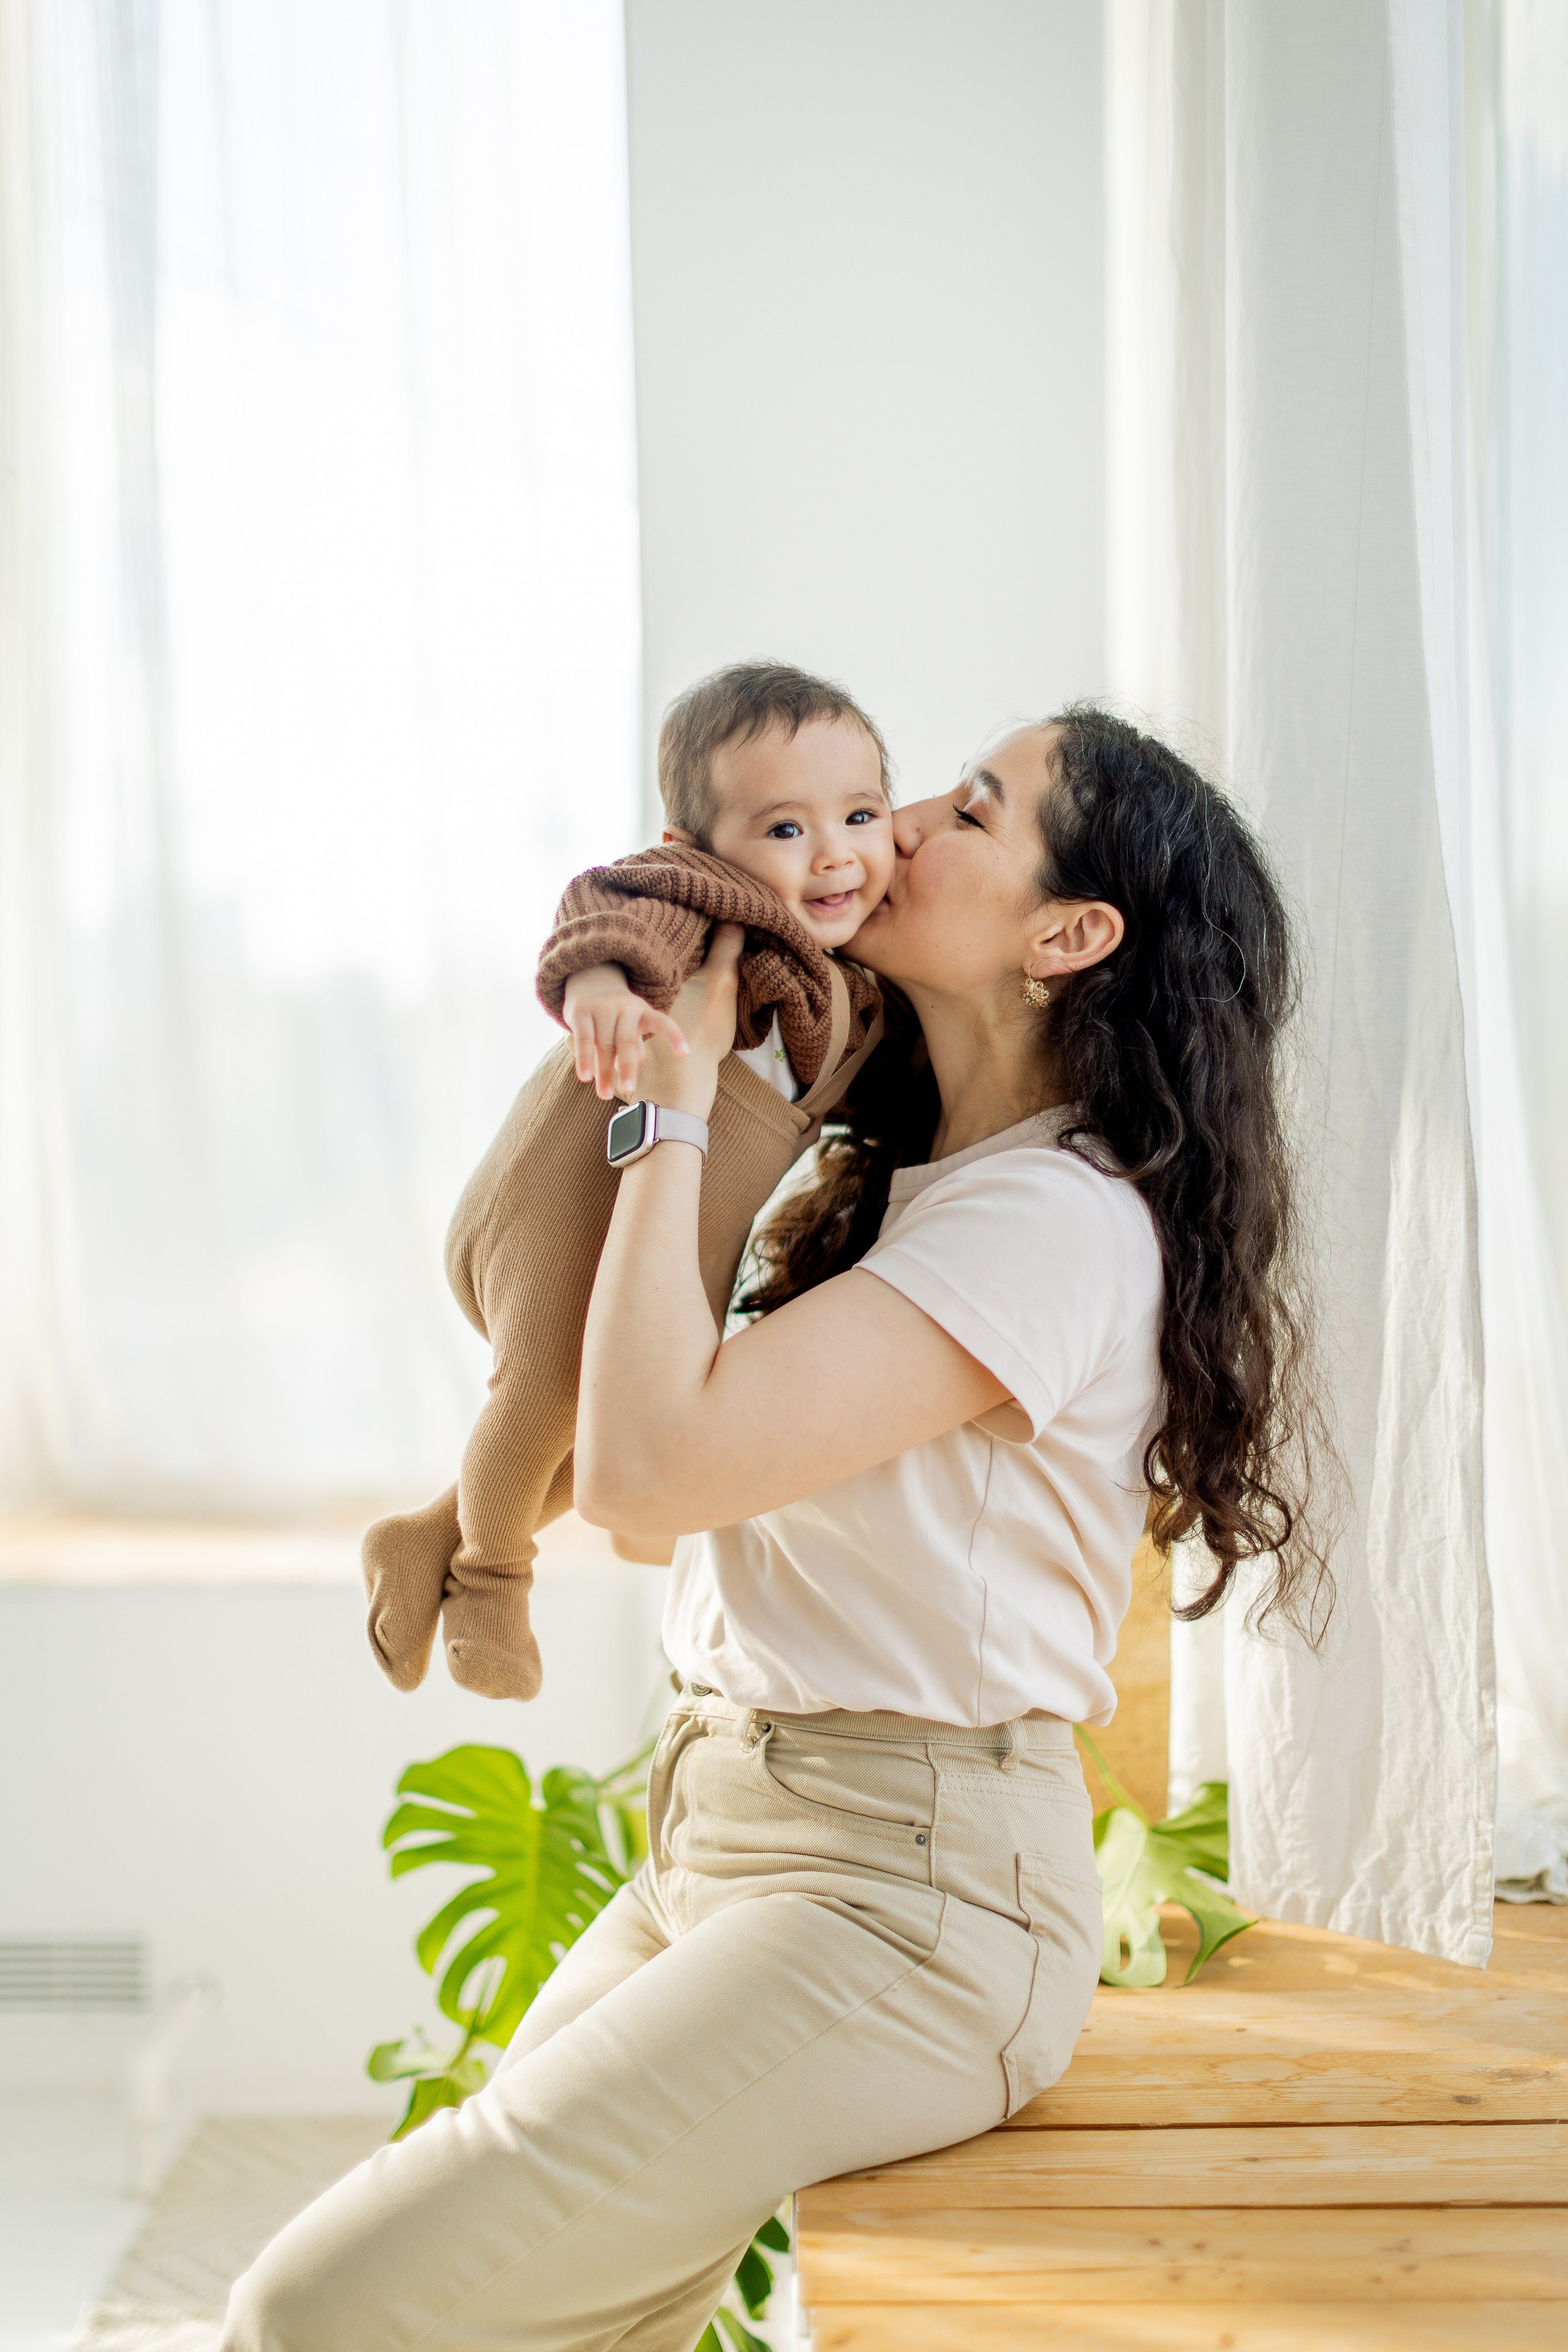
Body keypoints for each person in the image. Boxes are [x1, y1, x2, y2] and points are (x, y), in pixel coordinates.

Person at [225, 707, 1325, 2352]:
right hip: (727, 1831)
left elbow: (650, 1479)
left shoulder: (1055, 1218)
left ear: (1069, 935)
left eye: (975, 808)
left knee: (316, 2314)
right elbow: (689, 1515)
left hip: (908, 1896)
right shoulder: (899, 1176)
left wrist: (659, 1117)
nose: (902, 831)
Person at [360, 663, 891, 1703]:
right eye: (785, 829)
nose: (834, 852)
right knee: (549, 1387)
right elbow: (610, 916)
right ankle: (493, 1575)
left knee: (593, 1420)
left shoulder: (860, 977)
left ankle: (426, 1534)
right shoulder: (703, 907)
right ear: (698, 849)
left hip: (659, 1227)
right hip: (570, 1187)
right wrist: (601, 990)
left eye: (862, 814)